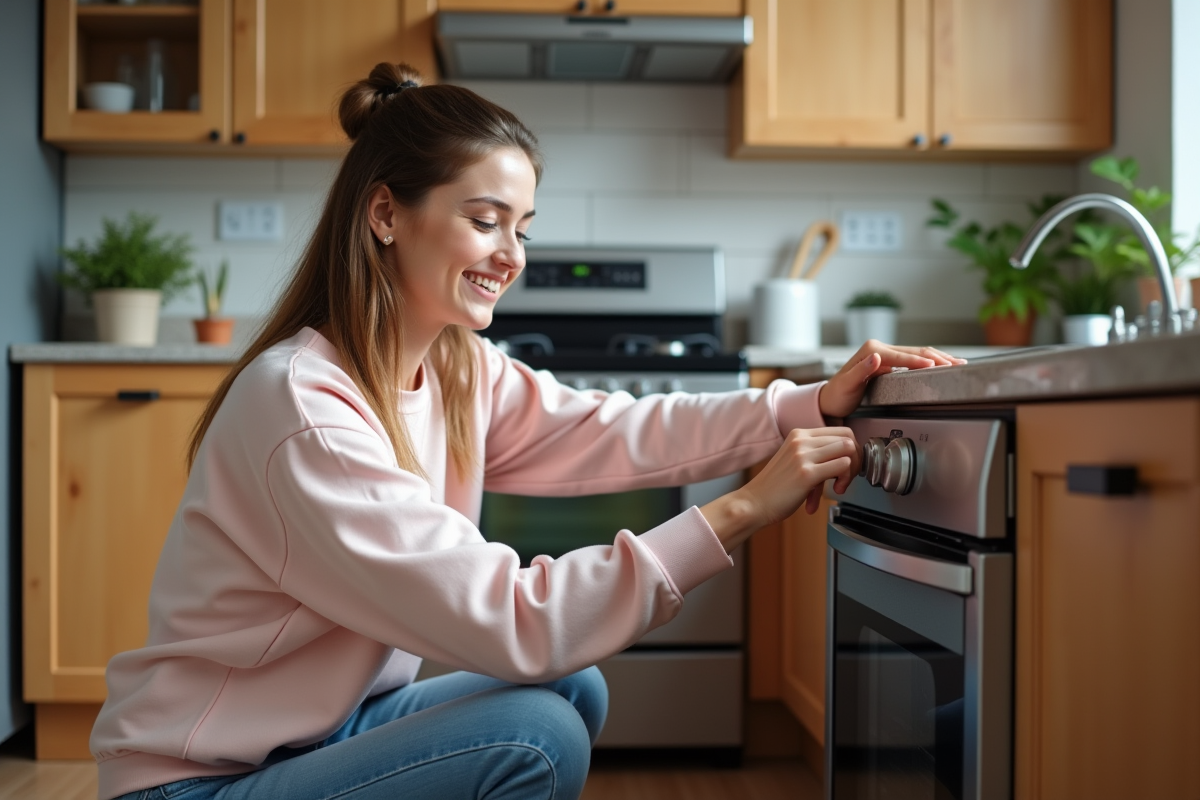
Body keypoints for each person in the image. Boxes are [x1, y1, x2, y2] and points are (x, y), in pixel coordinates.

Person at [91, 63, 963, 800]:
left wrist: (803, 404)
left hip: (314, 734)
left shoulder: (456, 369)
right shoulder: (306, 408)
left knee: (569, 685)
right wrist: (738, 513)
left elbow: (613, 430)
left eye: (521, 227)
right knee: (535, 733)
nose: (512, 254)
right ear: (386, 215)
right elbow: (519, 620)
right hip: (196, 779)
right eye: (484, 220)